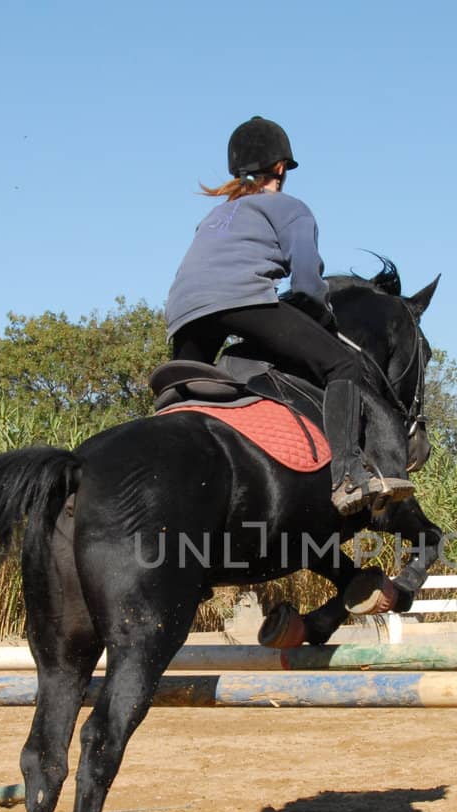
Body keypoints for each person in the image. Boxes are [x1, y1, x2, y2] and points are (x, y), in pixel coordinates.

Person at [165, 116, 411, 515]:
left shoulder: (214, 217)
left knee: (180, 391)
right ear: (280, 168)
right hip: (241, 299)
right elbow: (309, 284)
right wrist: (323, 320)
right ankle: (348, 475)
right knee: (342, 363)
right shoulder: (290, 208)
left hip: (183, 312)